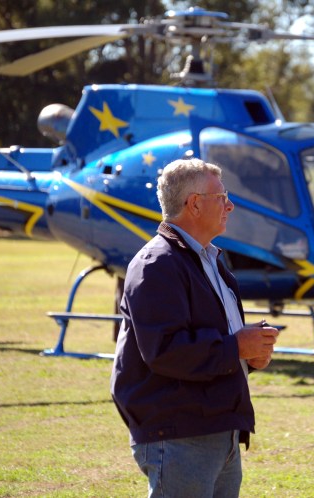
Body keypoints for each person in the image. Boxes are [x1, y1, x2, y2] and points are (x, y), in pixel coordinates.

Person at [110, 158, 279, 497]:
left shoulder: (208, 259)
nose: (230, 205)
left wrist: (250, 356)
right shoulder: (157, 265)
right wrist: (238, 348)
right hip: (180, 435)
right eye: (222, 196)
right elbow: (167, 351)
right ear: (195, 204)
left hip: (216, 429)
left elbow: (213, 343)